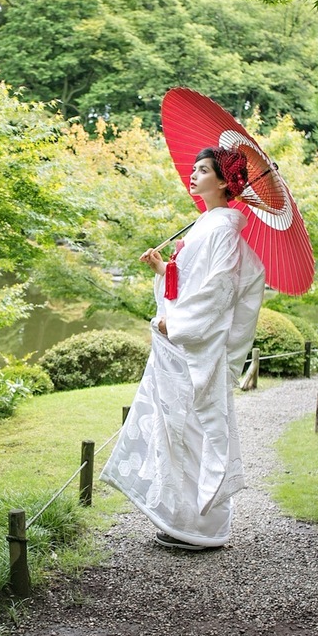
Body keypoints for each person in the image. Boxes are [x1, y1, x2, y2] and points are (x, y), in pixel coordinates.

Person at [100, 146, 265, 549]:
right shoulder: (207, 223)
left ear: (225, 181)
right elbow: (191, 282)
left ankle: (202, 528)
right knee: (175, 431)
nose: (193, 175)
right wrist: (164, 269)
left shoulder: (223, 228)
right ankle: (182, 521)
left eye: (203, 170)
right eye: (193, 169)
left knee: (192, 432)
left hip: (193, 348)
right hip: (181, 347)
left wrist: (172, 322)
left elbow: (219, 290)